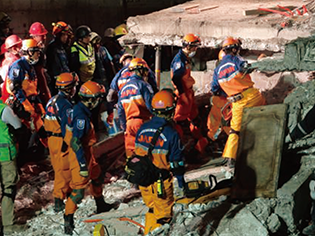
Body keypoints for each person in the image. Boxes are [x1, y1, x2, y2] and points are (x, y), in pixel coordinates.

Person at [63, 81, 114, 235]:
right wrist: (82, 165)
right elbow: (76, 142)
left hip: (87, 153)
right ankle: (68, 219)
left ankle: (100, 204)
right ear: (90, 99)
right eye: (97, 98)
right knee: (78, 191)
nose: (99, 101)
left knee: (97, 176)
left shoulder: (81, 110)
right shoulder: (81, 117)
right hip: (79, 156)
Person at [134, 89, 185, 234]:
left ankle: (149, 230)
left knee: (151, 207)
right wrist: (181, 184)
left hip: (144, 181)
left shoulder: (142, 128)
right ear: (171, 110)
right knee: (164, 216)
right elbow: (177, 163)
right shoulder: (172, 133)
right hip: (160, 183)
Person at [211, 36, 265, 167]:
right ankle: (263, 147)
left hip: (237, 103)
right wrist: (261, 61)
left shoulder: (217, 70)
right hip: (252, 97)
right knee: (264, 117)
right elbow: (247, 67)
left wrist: (230, 92)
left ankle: (230, 158)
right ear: (234, 49)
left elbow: (215, 89)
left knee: (235, 131)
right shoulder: (236, 59)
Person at [44, 72, 78, 213]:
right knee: (63, 170)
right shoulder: (65, 104)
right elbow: (67, 126)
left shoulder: (52, 100)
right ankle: (59, 199)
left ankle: (64, 195)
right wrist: (70, 142)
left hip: (52, 140)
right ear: (69, 88)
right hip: (60, 140)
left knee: (60, 168)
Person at [170, 33, 208, 158]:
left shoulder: (185, 58)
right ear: (188, 46)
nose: (195, 50)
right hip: (183, 93)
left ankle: (199, 141)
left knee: (194, 118)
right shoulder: (179, 60)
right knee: (180, 121)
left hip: (188, 92)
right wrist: (182, 94)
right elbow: (176, 78)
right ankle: (180, 148)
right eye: (194, 47)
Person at [7, 39, 48, 147]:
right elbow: (14, 87)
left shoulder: (30, 66)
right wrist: (26, 105)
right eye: (36, 51)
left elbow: (32, 89)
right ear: (28, 52)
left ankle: (46, 149)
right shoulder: (18, 66)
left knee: (40, 127)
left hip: (31, 102)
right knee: (25, 132)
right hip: (20, 104)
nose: (38, 54)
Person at [0, 95, 27, 234]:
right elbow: (18, 125)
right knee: (8, 189)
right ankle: (8, 225)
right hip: (4, 155)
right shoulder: (3, 110)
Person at [117, 57, 154, 158]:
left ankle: (133, 171)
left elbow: (120, 111)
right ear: (140, 70)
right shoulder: (143, 85)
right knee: (147, 153)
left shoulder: (123, 89)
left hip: (129, 125)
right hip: (143, 123)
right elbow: (151, 105)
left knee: (131, 154)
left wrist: (124, 127)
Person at [207, 49, 230, 142]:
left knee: (214, 124)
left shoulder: (219, 70)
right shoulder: (235, 67)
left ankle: (212, 140)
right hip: (232, 101)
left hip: (222, 100)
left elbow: (215, 87)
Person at [46, 21, 73, 96]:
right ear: (59, 35)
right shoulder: (52, 48)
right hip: (58, 84)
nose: (66, 37)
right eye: (64, 35)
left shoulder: (63, 47)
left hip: (65, 81)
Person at [29, 22, 51, 105]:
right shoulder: (34, 52)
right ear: (34, 36)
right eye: (42, 36)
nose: (44, 38)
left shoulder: (40, 50)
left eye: (44, 35)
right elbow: (39, 73)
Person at [1, 35, 22, 103]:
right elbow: (14, 82)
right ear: (14, 49)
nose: (22, 48)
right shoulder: (13, 63)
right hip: (13, 99)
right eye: (20, 46)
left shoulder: (15, 60)